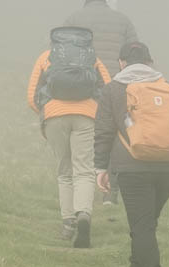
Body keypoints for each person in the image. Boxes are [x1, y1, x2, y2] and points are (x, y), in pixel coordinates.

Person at [93, 42, 169, 267]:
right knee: (146, 223)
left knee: (142, 225)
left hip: (132, 168)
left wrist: (101, 168)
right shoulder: (166, 86)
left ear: (122, 62)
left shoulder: (113, 88)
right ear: (149, 62)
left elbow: (103, 132)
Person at [27, 28, 111, 248]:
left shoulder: (46, 57)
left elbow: (31, 96)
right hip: (87, 116)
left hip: (55, 117)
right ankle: (84, 214)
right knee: (84, 169)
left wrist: (46, 112)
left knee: (64, 171)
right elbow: (108, 88)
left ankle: (68, 224)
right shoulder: (92, 58)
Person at [65, 0, 139, 204]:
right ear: (105, 4)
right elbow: (136, 53)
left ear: (86, 3)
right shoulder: (123, 20)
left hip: (86, 83)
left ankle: (85, 183)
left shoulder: (74, 18)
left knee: (89, 131)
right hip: (118, 84)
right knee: (116, 133)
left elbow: (60, 50)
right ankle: (111, 190)